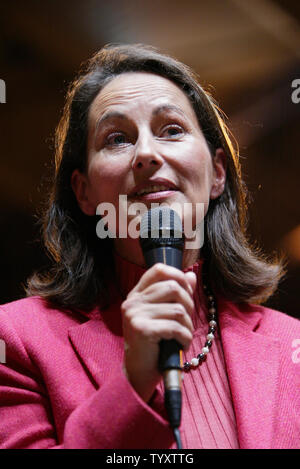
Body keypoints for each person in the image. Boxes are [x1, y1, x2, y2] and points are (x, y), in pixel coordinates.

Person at [0, 43, 299, 450]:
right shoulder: (16, 340)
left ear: (216, 174)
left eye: (172, 130)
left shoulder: (291, 345)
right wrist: (132, 385)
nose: (146, 154)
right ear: (83, 191)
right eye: (117, 139)